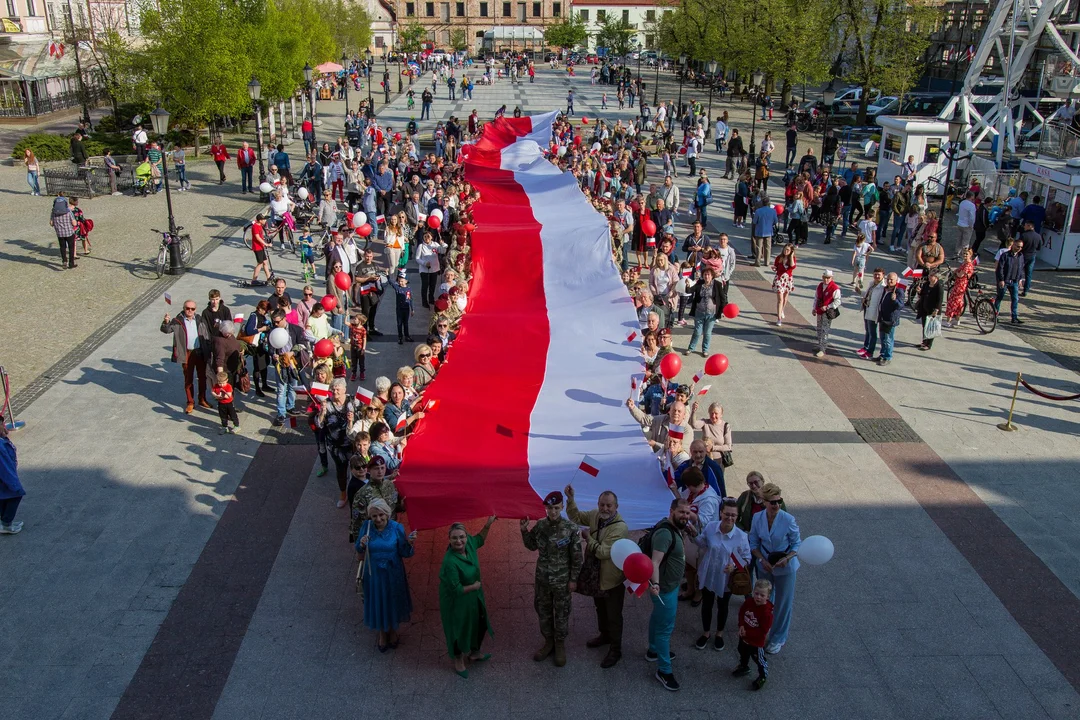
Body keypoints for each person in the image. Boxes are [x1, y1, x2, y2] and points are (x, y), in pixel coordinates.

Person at [565, 484, 629, 669]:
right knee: (600, 607)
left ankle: (616, 650)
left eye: (609, 505)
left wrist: (587, 537)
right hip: (596, 575)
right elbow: (576, 517)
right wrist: (570, 499)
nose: (605, 509)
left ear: (616, 507)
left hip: (611, 579)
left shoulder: (620, 528)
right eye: (602, 504)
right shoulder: (595, 515)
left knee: (614, 614)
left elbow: (602, 552)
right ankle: (605, 635)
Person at [521, 491, 582, 667]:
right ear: (545, 508)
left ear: (562, 507)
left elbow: (577, 557)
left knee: (562, 613)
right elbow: (531, 545)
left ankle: (560, 644)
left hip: (562, 581)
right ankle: (548, 642)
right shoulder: (540, 526)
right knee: (543, 612)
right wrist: (524, 530)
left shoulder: (570, 529)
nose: (553, 511)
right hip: (543, 579)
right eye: (549, 508)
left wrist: (573, 579)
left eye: (556, 508)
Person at [355, 498, 416, 652]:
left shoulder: (397, 528)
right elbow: (358, 548)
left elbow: (404, 552)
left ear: (387, 514)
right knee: (378, 601)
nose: (378, 519)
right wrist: (361, 543)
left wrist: (410, 543)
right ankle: (382, 632)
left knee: (392, 600)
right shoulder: (367, 527)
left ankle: (393, 629)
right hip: (374, 573)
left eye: (381, 515)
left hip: (393, 572)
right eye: (374, 516)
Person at [439, 517, 497, 677]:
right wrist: (475, 586)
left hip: (472, 596)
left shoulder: (469, 544)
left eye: (462, 537)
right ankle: (458, 660)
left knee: (479, 621)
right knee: (458, 629)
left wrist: (488, 525)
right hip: (456, 600)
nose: (459, 541)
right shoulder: (450, 561)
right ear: (449, 540)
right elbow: (456, 589)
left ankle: (475, 652)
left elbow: (480, 539)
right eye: (455, 538)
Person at [749, 482, 800, 655]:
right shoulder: (757, 518)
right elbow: (754, 542)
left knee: (783, 602)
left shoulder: (788, 519)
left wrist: (787, 558)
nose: (776, 505)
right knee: (764, 599)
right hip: (765, 564)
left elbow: (797, 544)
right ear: (764, 501)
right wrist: (761, 559)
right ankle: (762, 630)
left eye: (779, 501)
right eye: (772, 502)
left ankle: (778, 637)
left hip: (785, 566)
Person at [693, 498, 751, 651]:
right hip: (709, 572)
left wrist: (734, 566)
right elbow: (703, 543)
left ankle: (719, 634)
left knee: (723, 605)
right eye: (727, 514)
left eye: (733, 515)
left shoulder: (741, 536)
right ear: (721, 513)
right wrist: (693, 534)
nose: (730, 518)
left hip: (726, 578)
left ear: (737, 516)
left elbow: (747, 557)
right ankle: (706, 633)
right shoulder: (711, 527)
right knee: (707, 604)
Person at [647, 497, 690, 691]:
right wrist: (655, 584)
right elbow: (655, 562)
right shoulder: (665, 533)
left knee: (657, 618)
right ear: (672, 511)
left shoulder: (674, 528)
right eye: (681, 512)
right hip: (664, 588)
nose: (685, 516)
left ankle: (653, 650)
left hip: (667, 587)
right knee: (665, 629)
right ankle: (664, 671)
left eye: (687, 513)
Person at [160, 299, 212, 413]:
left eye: (192, 309)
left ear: (195, 310)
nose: (190, 311)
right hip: (186, 353)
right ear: (184, 309)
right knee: (188, 378)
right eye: (187, 308)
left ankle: (202, 399)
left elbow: (207, 335)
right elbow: (166, 330)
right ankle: (190, 402)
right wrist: (166, 321)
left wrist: (208, 351)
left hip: (199, 352)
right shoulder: (177, 321)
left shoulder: (199, 319)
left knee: (202, 377)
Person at [317, 378, 357, 508]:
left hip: (352, 444)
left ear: (344, 389)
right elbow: (319, 424)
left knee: (356, 468)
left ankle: (356, 492)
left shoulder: (353, 400)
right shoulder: (327, 404)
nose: (335, 391)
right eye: (333, 389)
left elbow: (363, 416)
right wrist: (322, 412)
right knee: (341, 469)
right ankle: (343, 494)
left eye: (337, 389)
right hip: (336, 445)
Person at [733, 579, 774, 690]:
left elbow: (762, 632)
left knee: (759, 660)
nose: (758, 597)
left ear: (768, 597)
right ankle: (744, 666)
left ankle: (763, 676)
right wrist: (741, 625)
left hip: (756, 642)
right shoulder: (749, 602)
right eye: (756, 593)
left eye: (762, 595)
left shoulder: (766, 614)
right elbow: (742, 612)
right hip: (744, 636)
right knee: (742, 651)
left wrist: (748, 632)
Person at [685, 266, 724, 357]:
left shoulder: (717, 284)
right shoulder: (699, 283)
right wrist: (687, 285)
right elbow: (690, 290)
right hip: (699, 312)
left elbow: (722, 298)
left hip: (711, 314)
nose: (706, 277)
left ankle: (705, 350)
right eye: (705, 275)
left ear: (712, 276)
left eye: (708, 275)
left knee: (707, 333)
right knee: (697, 332)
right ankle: (691, 348)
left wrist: (722, 310)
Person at [0, 422, 25, 535]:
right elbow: (4, 467)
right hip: (5, 477)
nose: (4, 427)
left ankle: (5, 522)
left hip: (5, 477)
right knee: (15, 495)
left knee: (4, 497)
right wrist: (14, 484)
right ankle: (6, 523)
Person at [811, 269, 841, 358]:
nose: (826, 280)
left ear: (831, 278)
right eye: (825, 277)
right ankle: (820, 345)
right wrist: (814, 308)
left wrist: (828, 306)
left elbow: (838, 301)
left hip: (827, 313)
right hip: (819, 311)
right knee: (819, 329)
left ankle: (822, 349)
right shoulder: (820, 286)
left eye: (828, 278)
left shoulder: (835, 288)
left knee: (825, 330)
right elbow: (816, 297)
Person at [876, 272, 904, 366]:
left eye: (891, 279)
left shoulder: (898, 291)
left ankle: (887, 357)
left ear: (896, 281)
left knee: (888, 339)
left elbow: (900, 306)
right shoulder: (885, 289)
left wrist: (894, 300)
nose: (889, 281)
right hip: (882, 317)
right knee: (882, 338)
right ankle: (882, 354)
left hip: (890, 320)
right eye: (888, 279)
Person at [995, 238, 1025, 324]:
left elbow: (1021, 268)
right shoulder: (1005, 255)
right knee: (999, 297)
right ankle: (995, 315)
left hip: (1014, 281)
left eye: (1021, 247)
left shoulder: (1021, 256)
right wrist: (1001, 279)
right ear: (1013, 245)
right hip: (1005, 280)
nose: (1019, 248)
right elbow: (1000, 268)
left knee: (1015, 299)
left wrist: (1020, 279)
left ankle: (1014, 317)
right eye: (1018, 246)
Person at [857, 268, 886, 359]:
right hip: (867, 308)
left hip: (874, 311)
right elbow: (868, 294)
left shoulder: (883, 287)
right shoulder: (872, 283)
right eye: (875, 274)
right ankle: (865, 347)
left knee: (872, 333)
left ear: (883, 275)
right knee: (867, 330)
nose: (877, 276)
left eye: (879, 275)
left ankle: (870, 351)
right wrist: (860, 292)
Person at [916, 272, 944, 351]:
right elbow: (922, 294)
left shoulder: (939, 287)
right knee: (924, 326)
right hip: (924, 308)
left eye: (931, 275)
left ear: (936, 277)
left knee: (930, 328)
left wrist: (936, 310)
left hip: (933, 310)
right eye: (929, 275)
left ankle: (929, 344)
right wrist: (919, 291)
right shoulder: (926, 284)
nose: (929, 277)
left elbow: (939, 300)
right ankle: (924, 341)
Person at [49, 197, 78, 270]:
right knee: (71, 248)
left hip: (59, 233)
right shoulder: (68, 211)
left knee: (62, 247)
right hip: (69, 232)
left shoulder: (54, 212)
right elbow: (74, 223)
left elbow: (51, 223)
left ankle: (64, 261)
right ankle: (71, 263)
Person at [772, 243, 796, 326]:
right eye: (785, 249)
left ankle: (782, 310)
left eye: (788, 250)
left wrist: (792, 255)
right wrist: (774, 268)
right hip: (779, 279)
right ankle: (779, 318)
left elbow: (793, 266)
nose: (786, 251)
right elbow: (776, 266)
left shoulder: (792, 259)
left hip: (787, 280)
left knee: (785, 298)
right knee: (780, 299)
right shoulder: (779, 257)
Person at [751, 199, 778, 267]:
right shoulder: (773, 211)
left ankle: (757, 261)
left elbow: (754, 221)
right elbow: (775, 221)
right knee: (768, 247)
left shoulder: (758, 211)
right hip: (769, 231)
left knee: (759, 247)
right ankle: (767, 262)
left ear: (762, 203)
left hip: (760, 231)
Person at [1019, 221, 1042, 297]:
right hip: (1032, 256)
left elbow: (1019, 246)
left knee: (1018, 272)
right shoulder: (1038, 236)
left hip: (1023, 255)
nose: (1024, 227)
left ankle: (1016, 286)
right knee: (1028, 274)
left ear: (1029, 226)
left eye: (1025, 225)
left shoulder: (1024, 235)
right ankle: (1026, 290)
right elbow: (1039, 247)